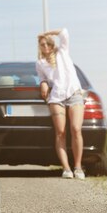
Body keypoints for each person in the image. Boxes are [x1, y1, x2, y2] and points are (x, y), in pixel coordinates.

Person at [36, 28, 86, 180]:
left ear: (52, 44)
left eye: (47, 44)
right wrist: (43, 83)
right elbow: (42, 77)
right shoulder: (40, 63)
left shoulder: (63, 52)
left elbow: (64, 32)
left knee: (76, 129)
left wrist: (47, 32)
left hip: (74, 94)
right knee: (61, 133)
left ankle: (78, 167)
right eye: (42, 45)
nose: (45, 47)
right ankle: (66, 169)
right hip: (56, 98)